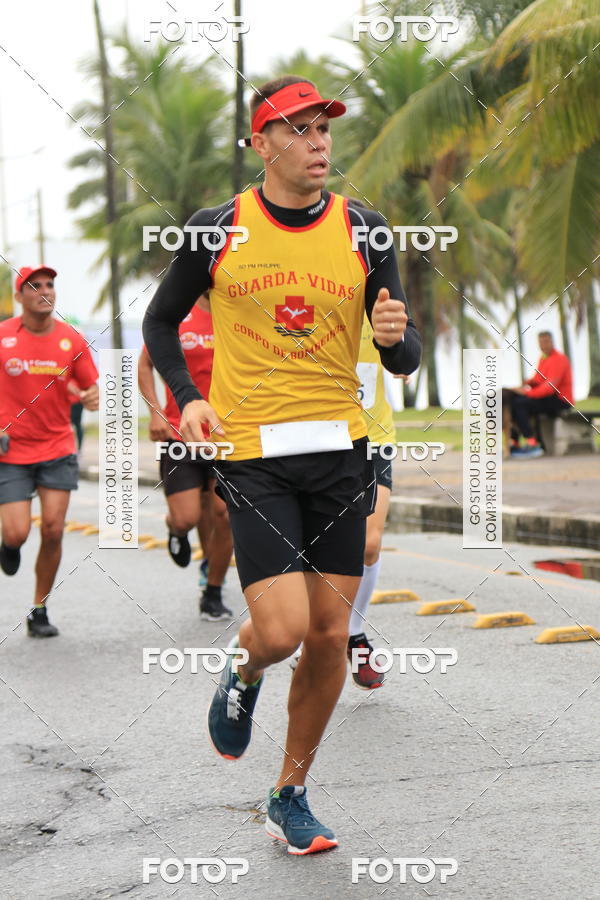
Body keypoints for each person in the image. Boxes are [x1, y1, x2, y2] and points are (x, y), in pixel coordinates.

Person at [143, 75, 421, 855]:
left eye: (324, 129)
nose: (318, 143)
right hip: (255, 455)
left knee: (330, 635)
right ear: (260, 144)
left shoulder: (365, 230)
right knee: (283, 630)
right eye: (296, 130)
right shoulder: (216, 229)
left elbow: (404, 353)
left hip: (341, 454)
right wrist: (188, 396)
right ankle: (246, 669)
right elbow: (160, 322)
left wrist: (398, 339)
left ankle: (289, 793)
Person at [0, 266, 98, 636]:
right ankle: (8, 546)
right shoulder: (3, 336)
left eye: (50, 284)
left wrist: (91, 397)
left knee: (54, 529)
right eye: (35, 286)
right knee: (17, 533)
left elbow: (90, 387)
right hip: (10, 450)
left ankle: (39, 609)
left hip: (57, 446)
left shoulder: (71, 339)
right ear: (20, 295)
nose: (45, 291)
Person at [138, 293, 233, 620]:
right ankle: (176, 531)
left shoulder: (239, 313)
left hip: (229, 436)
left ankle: (213, 590)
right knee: (187, 516)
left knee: (224, 515)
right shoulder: (177, 315)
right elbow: (145, 365)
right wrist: (155, 414)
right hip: (182, 433)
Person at [507, 331, 573, 457]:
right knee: (513, 401)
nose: (544, 345)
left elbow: (549, 388)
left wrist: (526, 392)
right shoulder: (543, 358)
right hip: (548, 398)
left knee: (520, 404)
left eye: (546, 341)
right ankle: (515, 443)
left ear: (552, 342)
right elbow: (538, 380)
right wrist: (526, 384)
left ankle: (533, 444)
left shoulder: (559, 359)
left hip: (561, 400)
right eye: (541, 342)